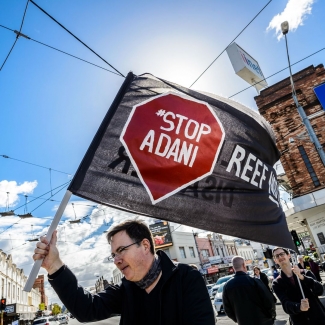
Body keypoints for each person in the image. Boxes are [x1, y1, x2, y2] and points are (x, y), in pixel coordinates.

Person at [33, 220, 215, 325]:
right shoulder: (125, 290)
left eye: (121, 250)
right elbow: (86, 309)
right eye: (113, 254)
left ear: (145, 245)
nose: (116, 260)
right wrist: (54, 266)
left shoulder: (186, 278)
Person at [272, 247, 325, 325]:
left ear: (288, 256)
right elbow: (286, 305)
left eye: (282, 254)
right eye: (277, 256)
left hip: (318, 318)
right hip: (299, 321)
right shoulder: (277, 283)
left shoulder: (306, 273)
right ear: (275, 260)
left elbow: (320, 290)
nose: (280, 257)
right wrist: (299, 307)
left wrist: (302, 277)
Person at [222, 256, 276, 325]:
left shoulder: (227, 286)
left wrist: (238, 319)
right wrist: (271, 315)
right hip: (263, 320)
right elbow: (268, 299)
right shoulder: (254, 280)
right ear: (244, 265)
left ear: (233, 268)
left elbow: (227, 309)